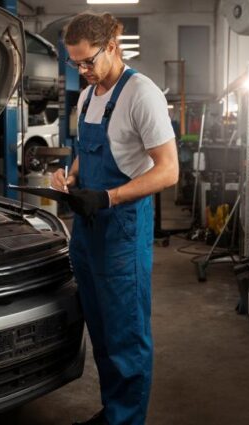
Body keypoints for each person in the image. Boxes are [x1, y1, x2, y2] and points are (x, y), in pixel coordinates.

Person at [51, 12, 179, 425]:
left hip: (122, 230)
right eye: (76, 64)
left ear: (111, 47)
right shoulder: (88, 96)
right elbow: (84, 153)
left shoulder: (141, 94)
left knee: (126, 336)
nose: (83, 71)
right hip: (87, 232)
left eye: (88, 61)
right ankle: (114, 413)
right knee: (102, 332)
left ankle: (127, 420)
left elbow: (169, 170)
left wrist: (108, 197)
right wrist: (68, 176)